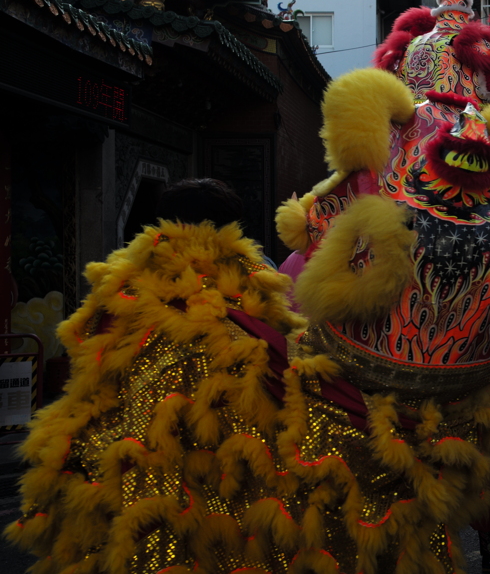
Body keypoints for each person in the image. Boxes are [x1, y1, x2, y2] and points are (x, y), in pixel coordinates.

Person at [6, 178, 305, 572]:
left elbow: (91, 353)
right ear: (227, 228)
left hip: (133, 437)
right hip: (224, 440)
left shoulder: (125, 278)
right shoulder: (250, 278)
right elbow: (279, 352)